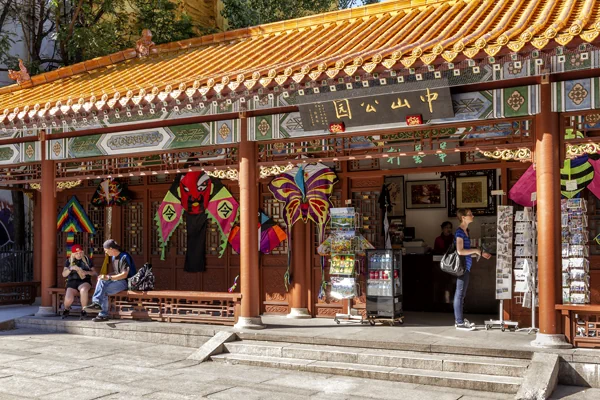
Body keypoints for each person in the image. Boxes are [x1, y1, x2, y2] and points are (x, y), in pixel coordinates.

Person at [454, 209, 491, 331]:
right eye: (470, 214)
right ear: (463, 217)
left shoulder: (466, 231)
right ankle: (459, 322)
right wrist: (476, 251)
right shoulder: (460, 232)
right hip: (462, 267)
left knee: (462, 294)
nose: (472, 216)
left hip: (466, 266)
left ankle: (460, 320)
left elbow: (466, 251)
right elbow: (460, 251)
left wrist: (478, 253)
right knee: (459, 294)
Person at [84, 239, 136, 322]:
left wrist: (108, 278)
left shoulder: (124, 256)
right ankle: (97, 304)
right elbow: (116, 272)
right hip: (118, 281)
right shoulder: (113, 257)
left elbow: (124, 275)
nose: (106, 253)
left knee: (103, 289)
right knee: (101, 281)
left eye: (106, 250)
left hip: (126, 282)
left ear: (111, 249)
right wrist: (105, 276)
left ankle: (102, 313)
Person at [62, 244, 95, 319]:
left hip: (84, 281)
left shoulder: (87, 260)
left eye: (80, 252)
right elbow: (64, 274)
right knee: (68, 298)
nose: (79, 255)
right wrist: (71, 268)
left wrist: (87, 272)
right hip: (72, 282)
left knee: (83, 290)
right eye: (76, 253)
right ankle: (66, 309)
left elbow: (94, 273)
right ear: (73, 254)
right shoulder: (69, 261)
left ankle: (83, 310)